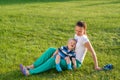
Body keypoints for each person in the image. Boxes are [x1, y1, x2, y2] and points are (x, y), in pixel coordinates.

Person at [20, 21, 102, 76]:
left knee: (53, 60)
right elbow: (71, 47)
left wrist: (96, 66)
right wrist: (62, 50)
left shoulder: (85, 40)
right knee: (51, 50)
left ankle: (29, 72)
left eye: (80, 31)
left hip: (75, 62)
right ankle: (32, 66)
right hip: (69, 55)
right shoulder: (76, 35)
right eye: (76, 30)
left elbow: (93, 53)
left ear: (84, 30)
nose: (77, 32)